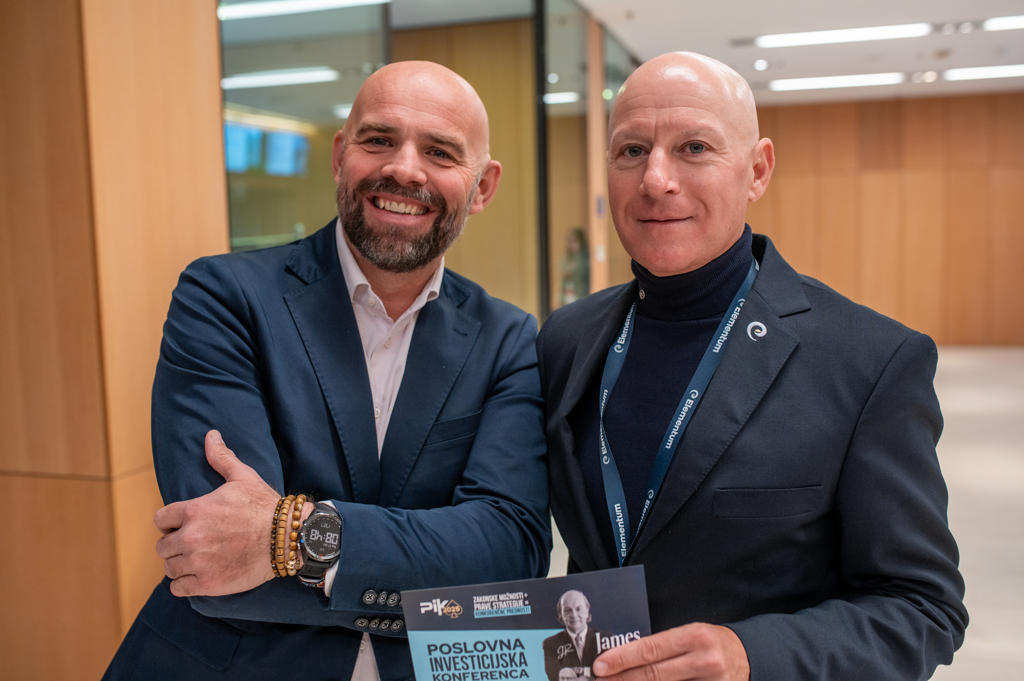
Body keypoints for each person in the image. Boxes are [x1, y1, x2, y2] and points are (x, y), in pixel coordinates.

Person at [103, 60, 551, 680]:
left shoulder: (508, 338)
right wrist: (430, 586)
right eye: (379, 140)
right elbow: (214, 559)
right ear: (341, 156)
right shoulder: (224, 298)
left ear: (482, 187)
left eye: (441, 152)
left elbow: (509, 557)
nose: (405, 169)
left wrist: (290, 535)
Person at [536, 51, 967, 681]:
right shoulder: (566, 340)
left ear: (757, 170)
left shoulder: (869, 360)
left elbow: (922, 608)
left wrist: (752, 655)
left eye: (694, 148)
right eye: (632, 151)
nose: (656, 179)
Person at [543, 590, 604, 681]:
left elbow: (607, 670)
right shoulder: (550, 644)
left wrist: (575, 672)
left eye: (578, 609)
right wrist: (590, 672)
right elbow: (554, 676)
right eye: (568, 610)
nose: (574, 615)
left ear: (587, 611)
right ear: (561, 615)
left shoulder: (604, 638)